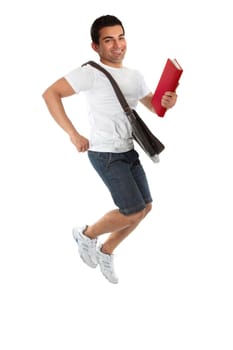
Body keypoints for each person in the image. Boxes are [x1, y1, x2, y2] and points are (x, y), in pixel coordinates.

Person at [42, 15, 177, 284]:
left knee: (146, 207)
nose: (117, 45)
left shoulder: (134, 76)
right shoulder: (89, 72)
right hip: (105, 153)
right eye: (108, 40)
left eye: (120, 37)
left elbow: (155, 107)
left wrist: (168, 101)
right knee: (133, 211)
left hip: (129, 150)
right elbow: (50, 94)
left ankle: (107, 250)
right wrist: (73, 134)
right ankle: (86, 235)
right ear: (96, 46)